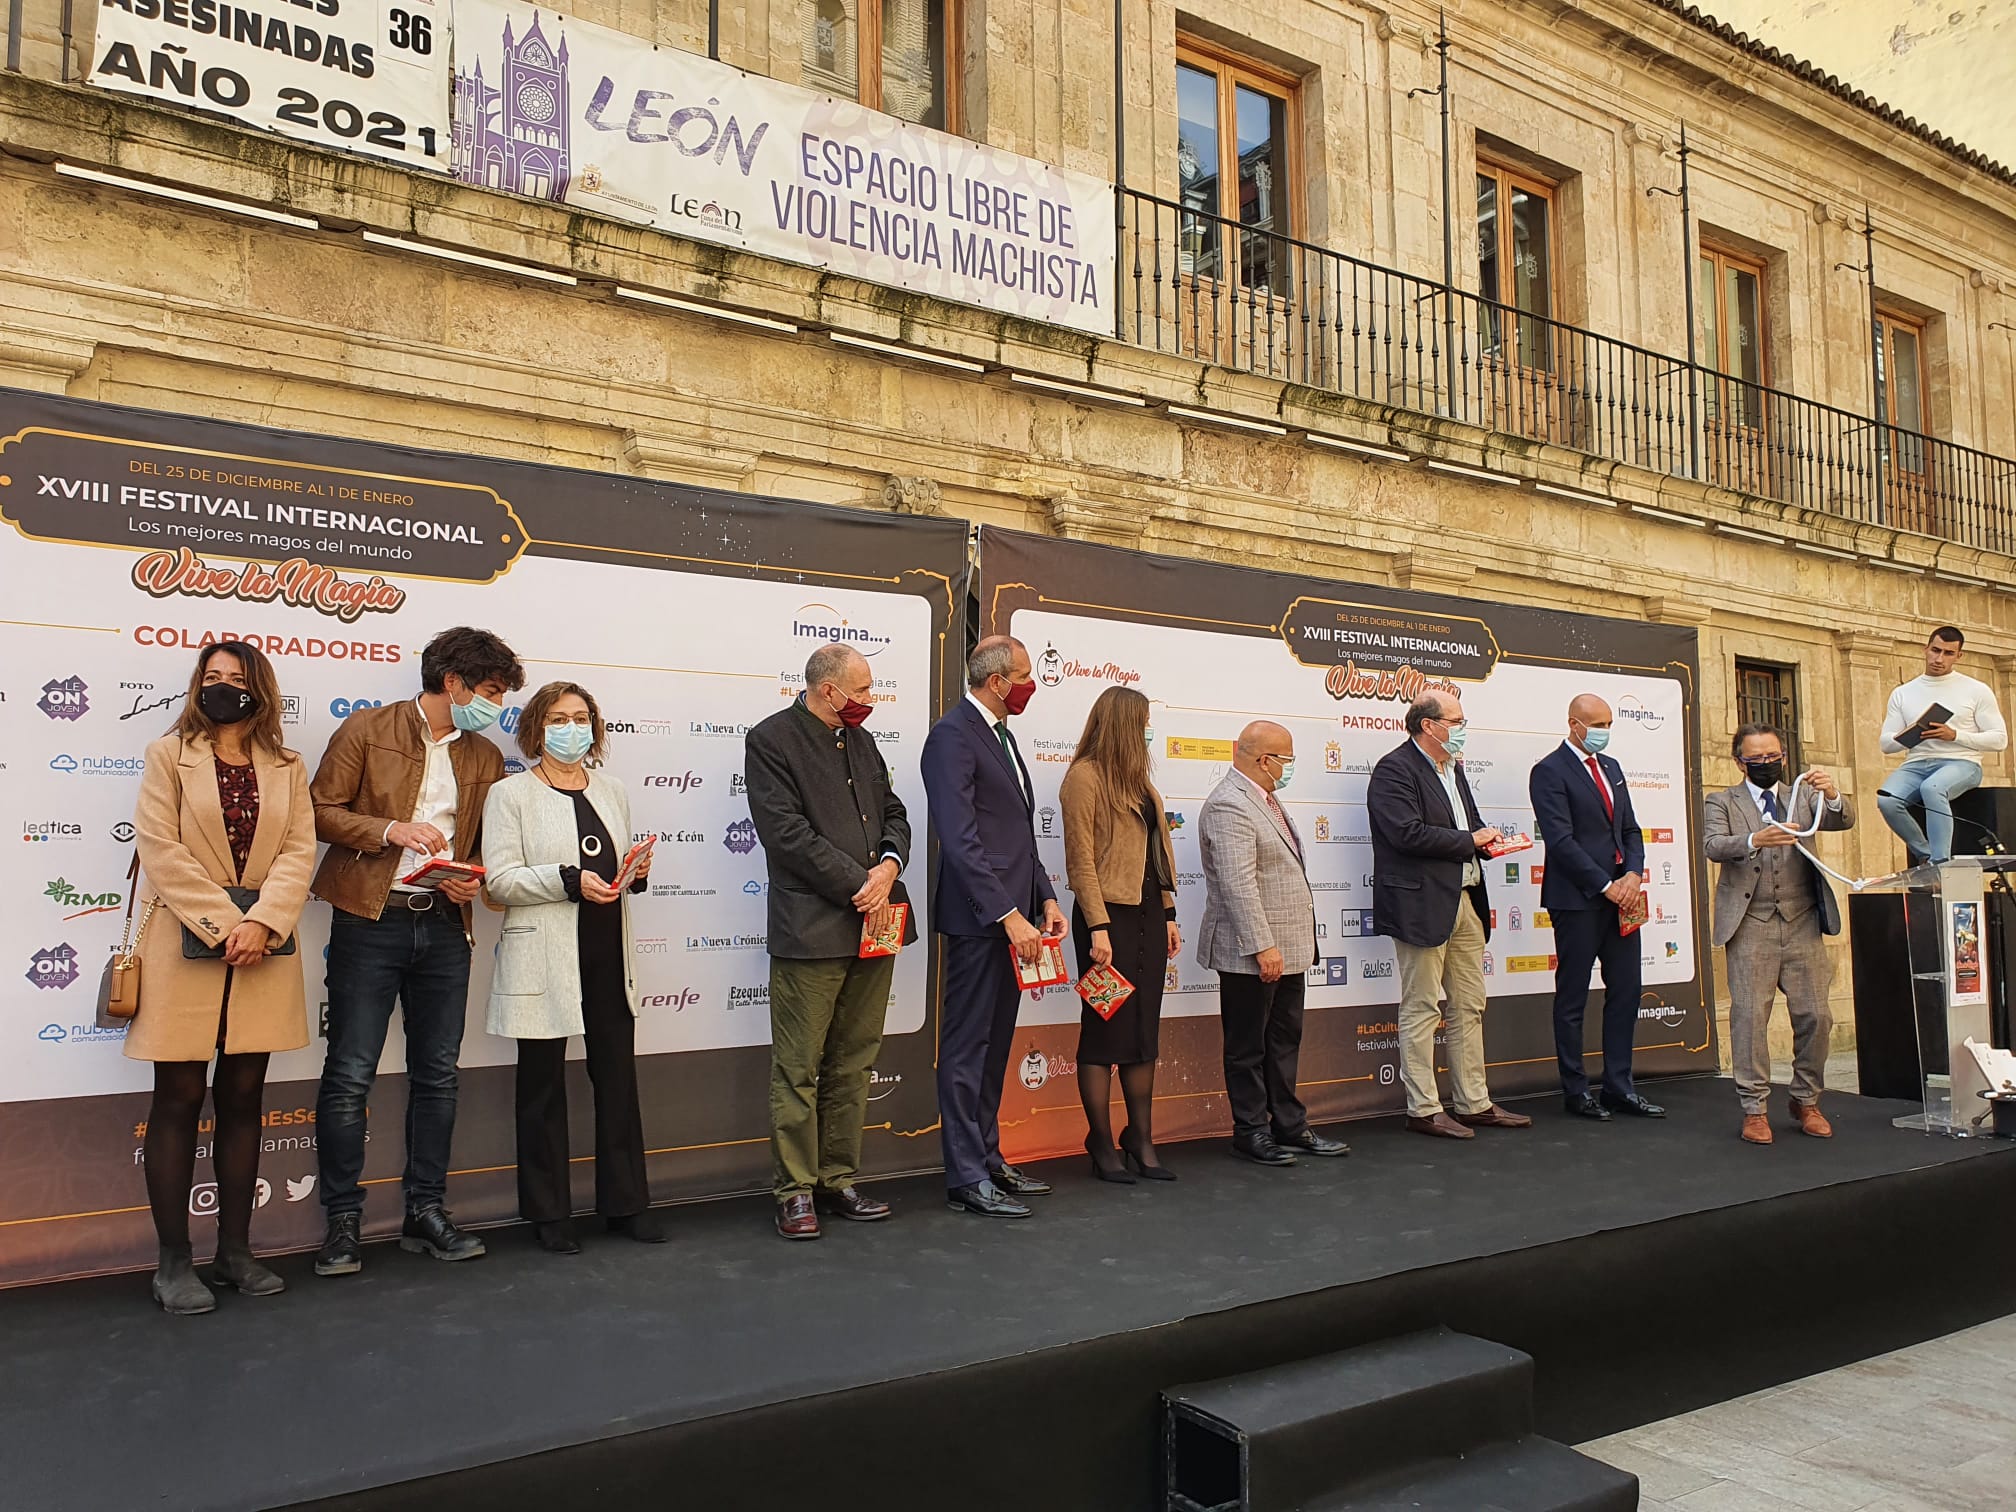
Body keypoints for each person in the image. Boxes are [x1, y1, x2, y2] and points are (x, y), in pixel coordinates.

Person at [309, 626, 524, 1276]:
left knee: (439, 1075)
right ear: (452, 682)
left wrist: (469, 874)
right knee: (350, 1073)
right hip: (370, 922)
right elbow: (318, 810)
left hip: (445, 927)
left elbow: (484, 844)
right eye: (488, 692)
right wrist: (387, 830)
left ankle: (426, 1212)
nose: (496, 706)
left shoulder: (485, 756)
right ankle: (342, 1222)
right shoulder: (366, 730)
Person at [127, 642, 316, 1314]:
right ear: (195, 686)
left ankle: (235, 1251)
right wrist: (221, 923)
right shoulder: (166, 755)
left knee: (243, 1096)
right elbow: (161, 851)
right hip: (185, 946)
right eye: (213, 678)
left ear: (259, 690)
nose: (225, 688)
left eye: (237, 679)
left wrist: (262, 923)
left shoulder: (288, 766)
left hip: (264, 948)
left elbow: (298, 850)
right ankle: (174, 1263)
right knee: (177, 1097)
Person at [482, 682, 663, 1253]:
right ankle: (549, 1214)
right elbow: (500, 880)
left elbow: (616, 873)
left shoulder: (612, 791)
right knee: (541, 1089)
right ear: (536, 729)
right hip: (543, 956)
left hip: (608, 953)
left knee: (617, 1082)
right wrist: (565, 879)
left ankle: (627, 1204)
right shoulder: (509, 795)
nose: (571, 727)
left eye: (581, 717)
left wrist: (635, 870)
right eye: (559, 718)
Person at [745, 643, 914, 1240]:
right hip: (812, 928)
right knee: (799, 1067)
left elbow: (894, 812)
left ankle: (837, 1178)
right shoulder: (770, 740)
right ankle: (794, 1190)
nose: (870, 700)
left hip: (877, 922)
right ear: (827, 690)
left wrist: (889, 867)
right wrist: (858, 885)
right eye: (862, 690)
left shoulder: (861, 739)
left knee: (854, 1060)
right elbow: (785, 834)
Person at [921, 635, 1065, 1218]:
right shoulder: (952, 736)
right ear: (998, 680)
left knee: (996, 1044)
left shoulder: (1002, 737)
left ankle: (989, 1156)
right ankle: (965, 1175)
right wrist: (1007, 915)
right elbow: (960, 841)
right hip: (983, 921)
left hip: (1019, 918)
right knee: (965, 1047)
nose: (1033, 685)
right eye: (1027, 675)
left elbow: (1019, 836)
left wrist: (1046, 899)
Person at [1368, 693, 1533, 1139]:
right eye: (1456, 720)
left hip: (1466, 898)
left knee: (1469, 1005)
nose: (1463, 727)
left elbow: (1467, 826)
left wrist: (1490, 844)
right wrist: (1470, 840)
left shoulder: (1454, 768)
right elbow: (1405, 834)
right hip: (1420, 905)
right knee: (1422, 1005)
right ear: (1428, 725)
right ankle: (1422, 1108)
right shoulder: (1394, 769)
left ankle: (1473, 1102)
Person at [1196, 721, 1350, 1165]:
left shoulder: (1266, 799)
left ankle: (1289, 1124)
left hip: (1289, 949)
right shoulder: (1230, 804)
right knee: (1248, 1046)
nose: (1289, 766)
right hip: (1252, 952)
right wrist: (1263, 946)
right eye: (1287, 758)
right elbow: (1238, 885)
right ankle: (1251, 1130)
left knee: (1284, 1040)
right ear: (1265, 760)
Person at [1704, 724, 1855, 1144]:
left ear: (1783, 757)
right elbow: (1712, 844)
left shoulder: (1803, 795)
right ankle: (1754, 1108)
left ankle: (1806, 1099)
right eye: (1757, 760)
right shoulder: (1721, 801)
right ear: (1740, 763)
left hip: (1802, 917)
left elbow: (1844, 820)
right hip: (1751, 921)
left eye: (1773, 757)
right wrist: (1754, 838)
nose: (1767, 764)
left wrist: (1832, 795)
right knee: (1750, 1017)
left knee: (1817, 1015)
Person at [1059, 686, 1182, 1182]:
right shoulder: (1083, 778)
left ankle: (1141, 1138)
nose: (1149, 730)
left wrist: (1170, 913)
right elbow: (1080, 861)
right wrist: (1098, 926)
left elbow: (1159, 857)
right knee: (1105, 1031)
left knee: (1141, 1031)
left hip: (1149, 917)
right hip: (1107, 919)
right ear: (1124, 724)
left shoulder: (1141, 783)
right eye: (1144, 722)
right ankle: (1102, 1142)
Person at [1528, 695, 1664, 1120]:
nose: (1605, 730)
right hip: (1578, 901)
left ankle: (1619, 1086)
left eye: (1609, 722)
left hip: (1624, 900)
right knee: (1573, 996)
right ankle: (1575, 1089)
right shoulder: (1549, 771)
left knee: (1626, 991)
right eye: (1598, 723)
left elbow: (1631, 830)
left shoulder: (1612, 767)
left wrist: (1633, 876)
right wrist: (1605, 885)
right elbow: (1561, 841)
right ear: (1574, 724)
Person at [1876, 626, 2007, 865]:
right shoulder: (1903, 693)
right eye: (1935, 650)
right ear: (1925, 649)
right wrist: (1912, 734)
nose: (1939, 659)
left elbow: (2000, 739)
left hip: (1962, 762)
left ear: (1959, 656)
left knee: (1932, 788)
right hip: (1916, 763)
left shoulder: (1976, 690)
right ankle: (1925, 854)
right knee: (1887, 799)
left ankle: (1940, 861)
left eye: (1948, 653)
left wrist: (1954, 735)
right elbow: (1886, 744)